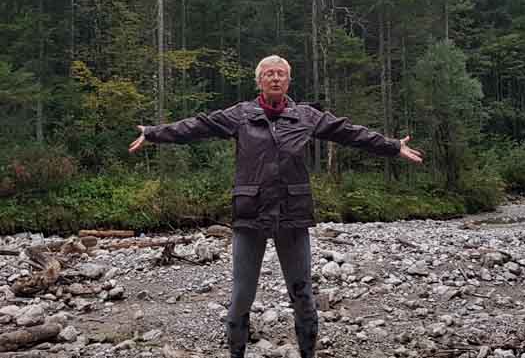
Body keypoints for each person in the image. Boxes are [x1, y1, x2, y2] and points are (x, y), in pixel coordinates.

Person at [128, 55, 422, 358]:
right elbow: (199, 125)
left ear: (289, 81)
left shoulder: (306, 116)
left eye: (281, 74)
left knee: (303, 295)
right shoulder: (240, 115)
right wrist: (153, 133)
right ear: (259, 81)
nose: (276, 78)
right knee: (242, 297)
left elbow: (349, 132)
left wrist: (393, 146)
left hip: (292, 215)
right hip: (250, 214)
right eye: (269, 74)